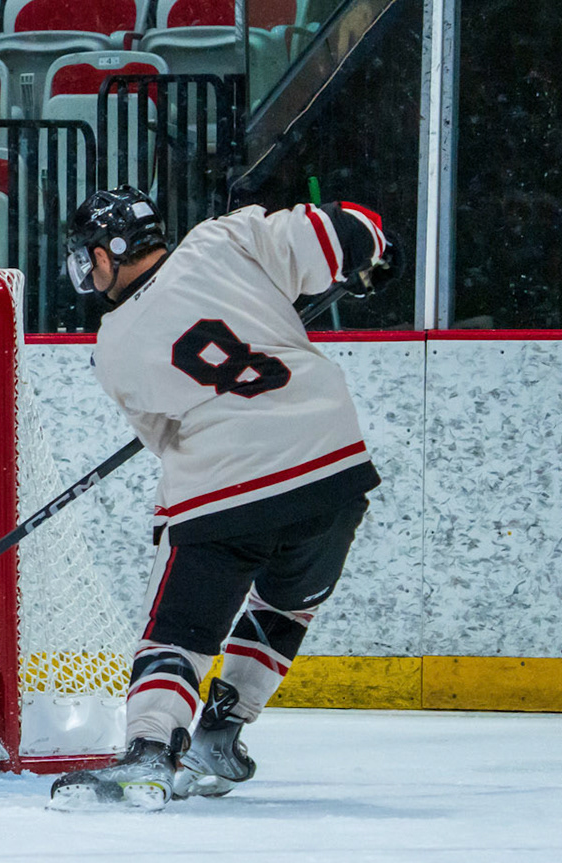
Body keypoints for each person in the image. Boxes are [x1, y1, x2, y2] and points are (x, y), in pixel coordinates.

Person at [47, 187, 396, 810]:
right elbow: (345, 228)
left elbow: (164, 440)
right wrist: (374, 254)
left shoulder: (114, 345)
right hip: (333, 473)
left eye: (88, 256)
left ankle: (150, 750)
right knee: (285, 606)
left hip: (226, 492)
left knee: (178, 633)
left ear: (106, 255)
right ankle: (219, 734)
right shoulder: (223, 239)